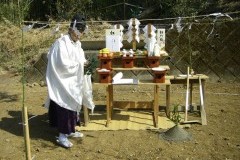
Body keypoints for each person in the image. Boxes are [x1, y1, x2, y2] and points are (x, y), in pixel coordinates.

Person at [45, 14, 88, 148]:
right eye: (77, 31)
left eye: (81, 32)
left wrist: (84, 62)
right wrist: (80, 64)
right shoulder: (61, 43)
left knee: (73, 107)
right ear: (71, 29)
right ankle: (62, 136)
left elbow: (80, 58)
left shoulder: (77, 44)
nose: (79, 35)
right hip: (63, 82)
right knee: (64, 107)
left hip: (74, 82)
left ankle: (70, 130)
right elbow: (61, 64)